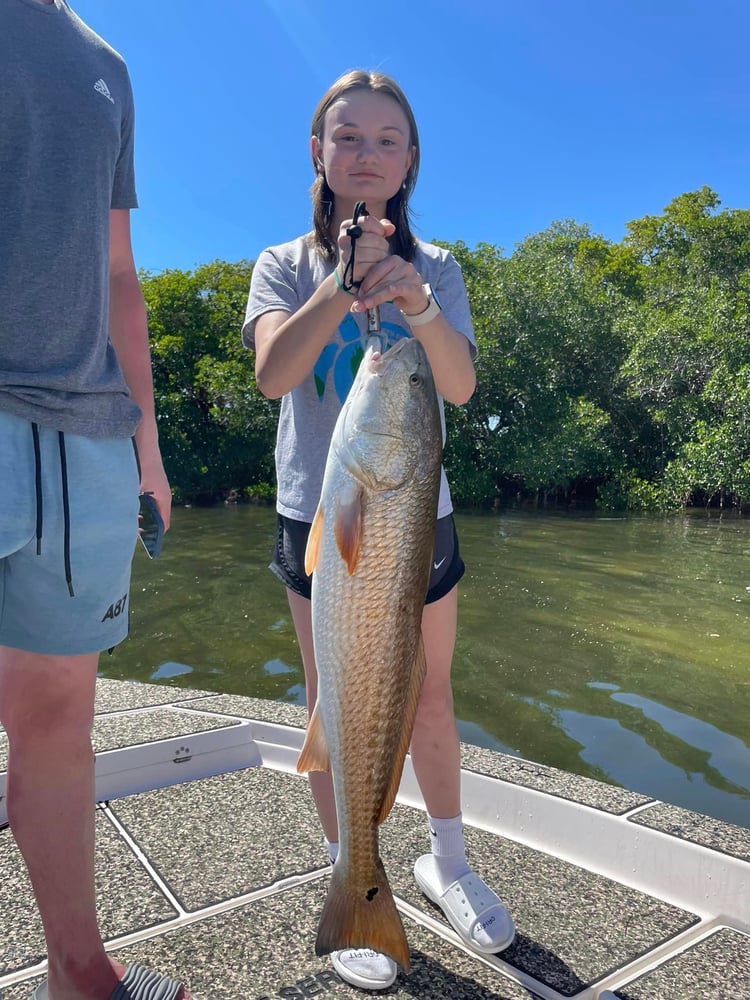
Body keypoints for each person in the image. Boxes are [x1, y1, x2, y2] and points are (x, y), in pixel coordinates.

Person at [243, 69, 516, 991]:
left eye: (387, 139)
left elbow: (462, 385)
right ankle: (350, 872)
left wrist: (414, 302)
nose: (367, 154)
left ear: (410, 161)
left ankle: (448, 859)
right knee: (330, 703)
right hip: (317, 514)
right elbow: (275, 373)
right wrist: (340, 285)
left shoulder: (437, 268)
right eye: (346, 136)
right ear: (318, 153)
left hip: (413, 520)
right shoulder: (282, 264)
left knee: (427, 694)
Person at [0, 2, 191, 998]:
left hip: (88, 439)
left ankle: (79, 973)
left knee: (58, 717)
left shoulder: (108, 64)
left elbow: (119, 270)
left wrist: (146, 447)